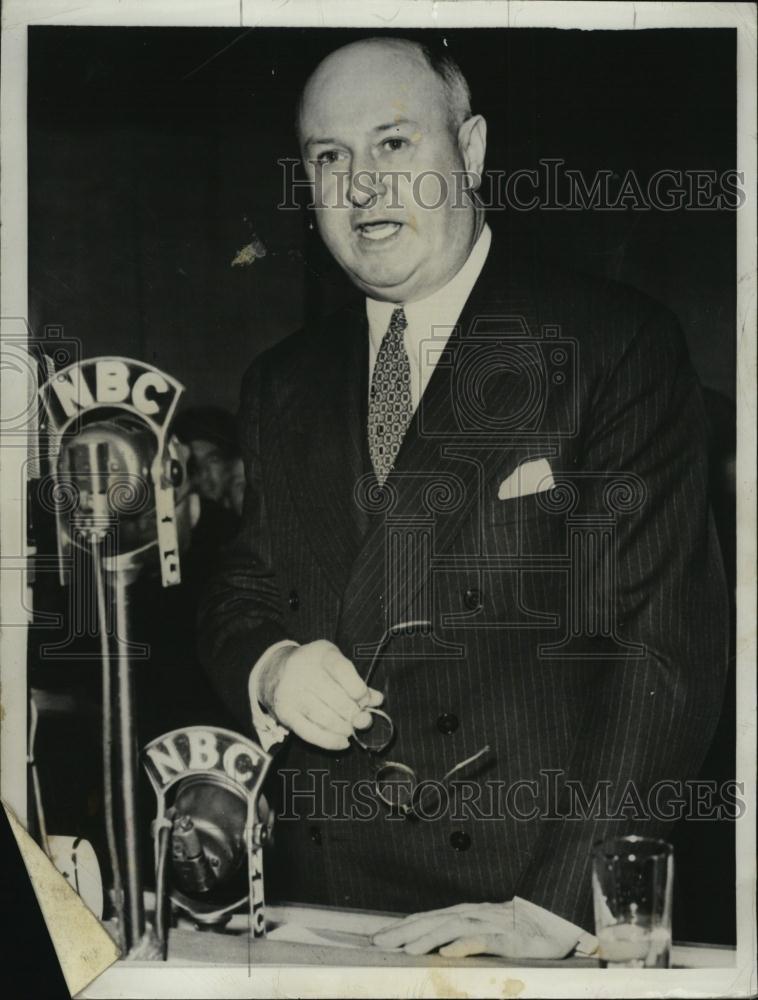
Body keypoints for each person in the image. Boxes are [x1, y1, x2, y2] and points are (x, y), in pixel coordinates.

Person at [198, 37, 728, 958]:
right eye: (330, 158)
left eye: (394, 145)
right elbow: (247, 580)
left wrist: (561, 907)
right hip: (331, 910)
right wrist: (273, 664)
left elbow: (661, 650)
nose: (361, 188)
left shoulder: (613, 345)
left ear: (471, 151)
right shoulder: (281, 381)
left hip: (523, 903)